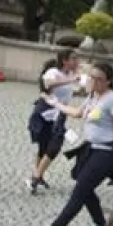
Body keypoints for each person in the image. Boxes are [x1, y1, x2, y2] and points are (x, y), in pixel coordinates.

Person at [32, 63, 113, 226]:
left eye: (98, 79)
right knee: (84, 186)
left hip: (108, 152)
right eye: (91, 77)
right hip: (91, 148)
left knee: (80, 189)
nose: (93, 81)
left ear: (108, 81)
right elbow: (78, 113)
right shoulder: (93, 96)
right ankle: (100, 225)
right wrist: (55, 103)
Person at [27, 50, 81, 193]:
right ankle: (38, 176)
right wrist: (71, 79)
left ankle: (36, 176)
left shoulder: (71, 75)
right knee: (43, 147)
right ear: (64, 60)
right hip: (45, 111)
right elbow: (47, 84)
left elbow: (81, 87)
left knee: (55, 145)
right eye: (73, 59)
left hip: (61, 113)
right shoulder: (53, 72)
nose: (77, 62)